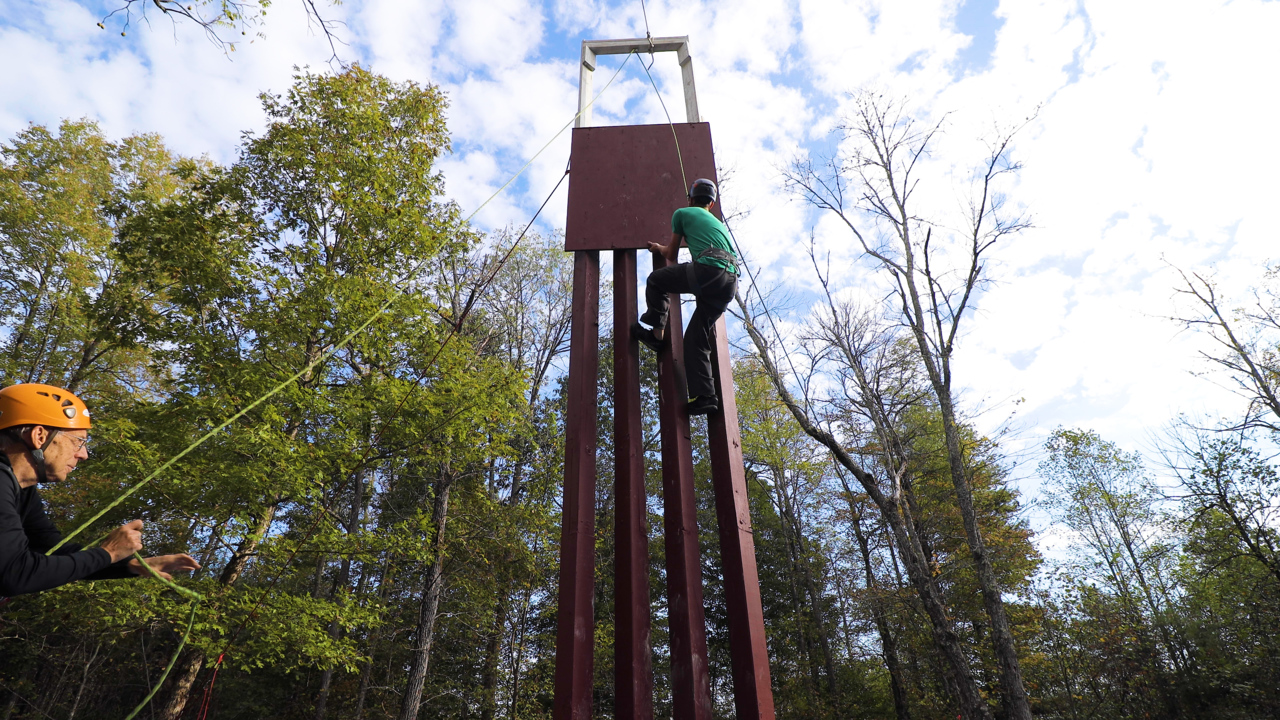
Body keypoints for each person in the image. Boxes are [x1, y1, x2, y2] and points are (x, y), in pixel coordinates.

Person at [0, 383, 200, 597]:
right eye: (78, 442)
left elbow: (54, 550)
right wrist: (109, 552)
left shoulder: (21, 490)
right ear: (40, 436)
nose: (83, 454)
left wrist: (128, 565)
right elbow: (15, 575)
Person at [633, 178, 739, 415]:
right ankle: (706, 397)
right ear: (711, 204)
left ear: (691, 199)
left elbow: (671, 254)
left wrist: (658, 248)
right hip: (730, 283)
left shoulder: (682, 213)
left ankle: (656, 335)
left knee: (656, 280)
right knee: (695, 339)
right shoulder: (718, 223)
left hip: (708, 270)